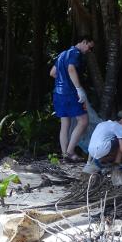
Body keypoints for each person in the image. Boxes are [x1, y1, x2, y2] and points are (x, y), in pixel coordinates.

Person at [50, 35, 94, 163]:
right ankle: (70, 152)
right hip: (70, 93)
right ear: (84, 42)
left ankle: (64, 154)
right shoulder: (75, 53)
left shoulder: (62, 54)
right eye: (89, 47)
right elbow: (71, 69)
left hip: (58, 93)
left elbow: (52, 73)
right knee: (83, 120)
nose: (89, 51)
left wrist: (64, 80)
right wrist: (78, 88)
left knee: (65, 124)